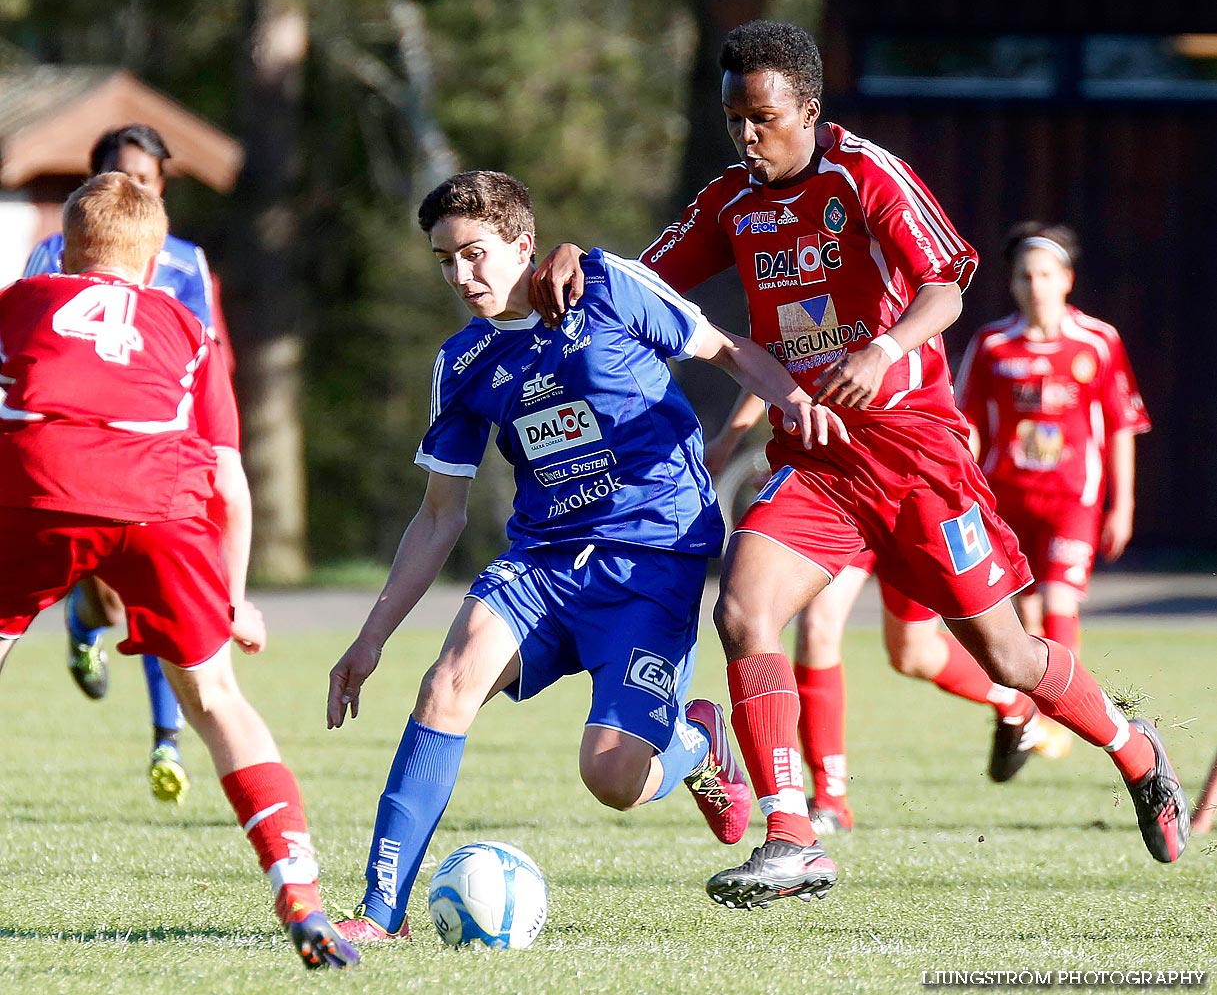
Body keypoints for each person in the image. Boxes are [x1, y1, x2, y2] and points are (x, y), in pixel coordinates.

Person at [532, 19, 1188, 908]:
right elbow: (647, 282)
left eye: (761, 117)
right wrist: (580, 256)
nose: (746, 136)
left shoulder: (864, 171)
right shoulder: (733, 200)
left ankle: (1133, 747)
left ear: (805, 106)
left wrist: (883, 350)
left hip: (916, 456)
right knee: (742, 609)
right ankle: (792, 834)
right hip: (818, 463)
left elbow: (947, 281)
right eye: (734, 121)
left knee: (1004, 657)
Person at [324, 170, 849, 942]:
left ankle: (697, 738)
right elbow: (439, 517)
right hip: (541, 562)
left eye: (473, 254)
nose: (461, 276)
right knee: (445, 687)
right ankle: (379, 915)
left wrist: (790, 401)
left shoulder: (606, 286)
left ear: (522, 243)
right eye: (444, 260)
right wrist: (370, 638)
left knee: (611, 779)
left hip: (650, 559)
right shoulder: (462, 364)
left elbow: (727, 349)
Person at [0, 173, 357, 969]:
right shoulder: (190, 329)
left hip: (38, 490)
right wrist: (232, 599)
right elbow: (229, 482)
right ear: (157, 254)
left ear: (60, 244)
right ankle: (295, 882)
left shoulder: (16, 303)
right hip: (158, 507)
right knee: (217, 698)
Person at [704, 392, 1072, 835]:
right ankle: (830, 798)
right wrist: (731, 436)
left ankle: (1014, 702)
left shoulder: (903, 328)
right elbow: (765, 355)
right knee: (818, 628)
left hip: (912, 489)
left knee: (912, 653)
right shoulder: (812, 326)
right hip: (841, 489)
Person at [24, 123, 232, 804]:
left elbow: (206, 349)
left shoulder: (186, 261)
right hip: (79, 443)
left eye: (145, 176)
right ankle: (85, 618)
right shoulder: (54, 253)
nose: (134, 185)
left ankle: (166, 739)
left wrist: (213, 438)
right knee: (115, 589)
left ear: (162, 186)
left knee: (158, 595)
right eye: (121, 173)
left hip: (164, 436)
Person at [956, 223, 1150, 663]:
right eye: (1025, 276)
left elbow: (1122, 426)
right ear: (1012, 283)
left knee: (1060, 602)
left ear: (1067, 279)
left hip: (1072, 498)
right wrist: (963, 492)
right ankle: (1032, 719)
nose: (1035, 286)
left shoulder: (1098, 341)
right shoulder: (992, 344)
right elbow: (965, 424)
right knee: (1026, 616)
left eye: (1045, 275)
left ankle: (1058, 723)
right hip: (1006, 496)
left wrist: (1123, 505)